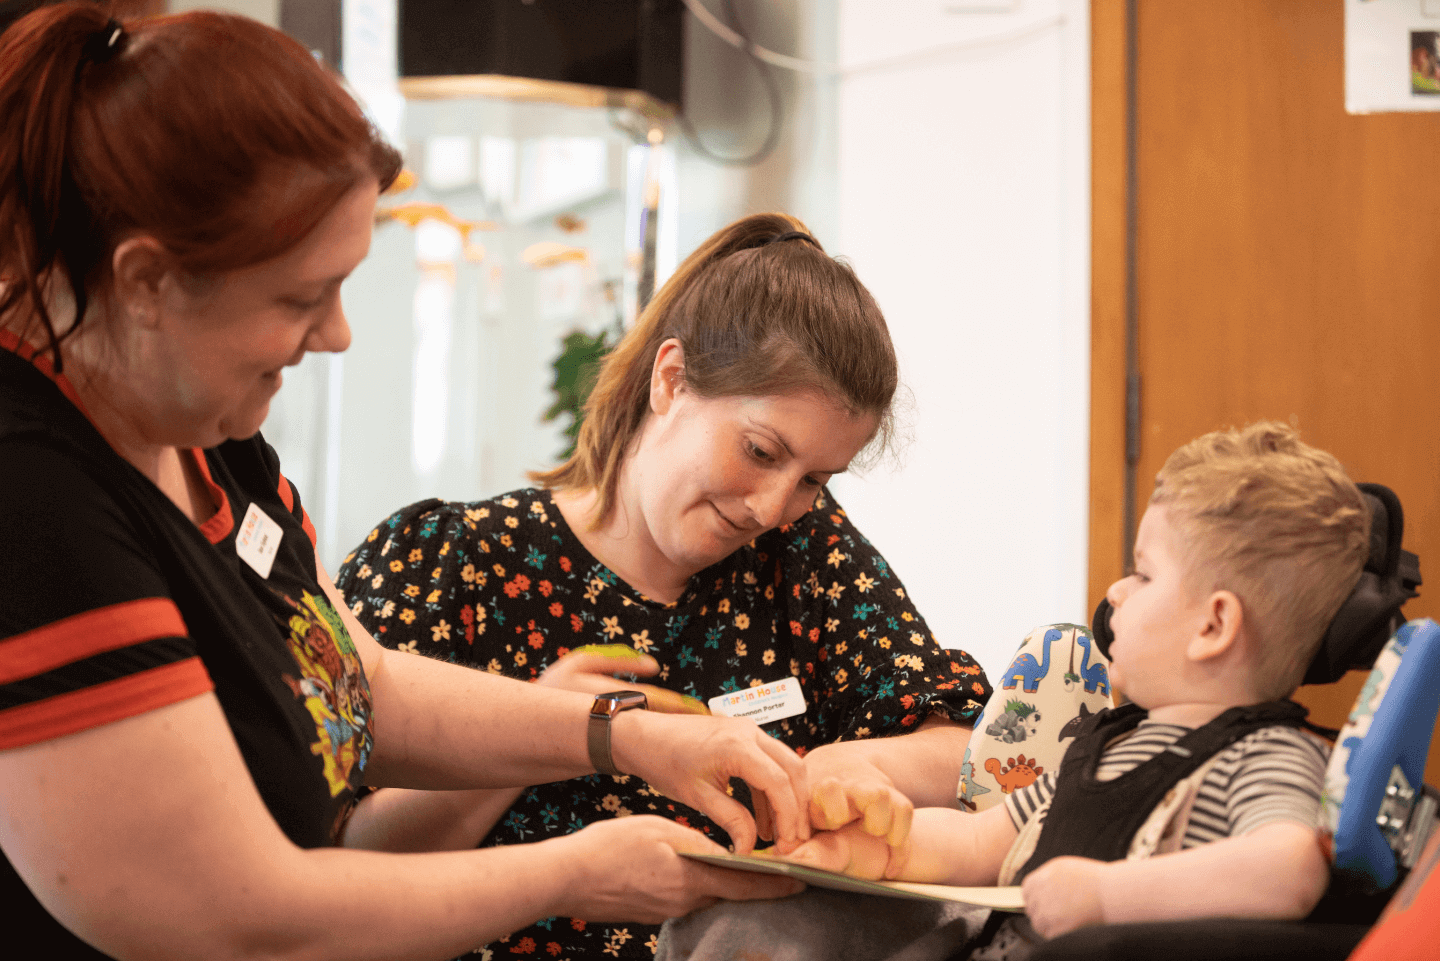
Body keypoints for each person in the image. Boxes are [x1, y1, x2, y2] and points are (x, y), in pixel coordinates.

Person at [0, 6, 827, 959]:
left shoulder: (208, 435)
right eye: (301, 299)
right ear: (147, 281)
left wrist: (624, 736)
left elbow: (363, 685)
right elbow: (244, 918)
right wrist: (575, 869)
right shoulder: (32, 497)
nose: (338, 335)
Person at [335, 212, 995, 958]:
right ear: (670, 379)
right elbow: (349, 864)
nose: (772, 508)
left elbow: (975, 751)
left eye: (813, 479)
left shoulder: (806, 557)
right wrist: (548, 734)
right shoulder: (450, 564)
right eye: (760, 450)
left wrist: (852, 766)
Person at [663, 421, 1370, 961]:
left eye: (1144, 575)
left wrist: (1104, 895)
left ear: (1214, 624)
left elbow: (1289, 868)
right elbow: (980, 837)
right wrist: (879, 850)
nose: (1118, 592)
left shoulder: (1267, 754)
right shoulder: (1106, 742)